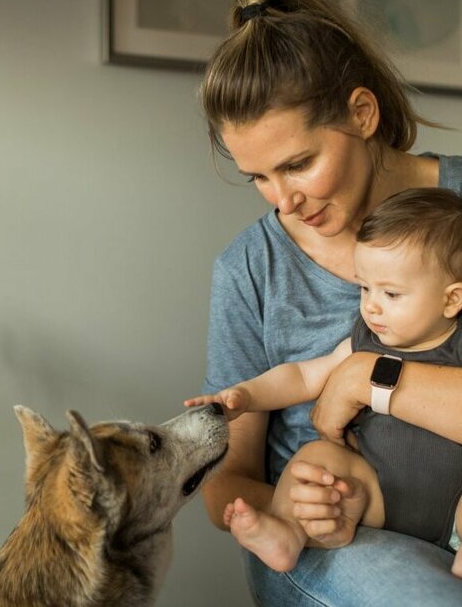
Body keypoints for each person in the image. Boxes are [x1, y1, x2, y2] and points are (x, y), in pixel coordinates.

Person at [197, 0, 462, 604]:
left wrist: (369, 378)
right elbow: (225, 481)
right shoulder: (250, 268)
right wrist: (285, 501)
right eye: (257, 176)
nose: (284, 201)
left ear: (362, 114)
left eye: (297, 164)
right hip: (339, 540)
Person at [186, 188, 462, 577]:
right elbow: (302, 375)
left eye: (391, 293)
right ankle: (288, 533)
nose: (371, 306)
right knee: (316, 466)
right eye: (365, 288)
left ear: (452, 300)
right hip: (377, 489)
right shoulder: (366, 339)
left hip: (455, 505)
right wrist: (249, 394)